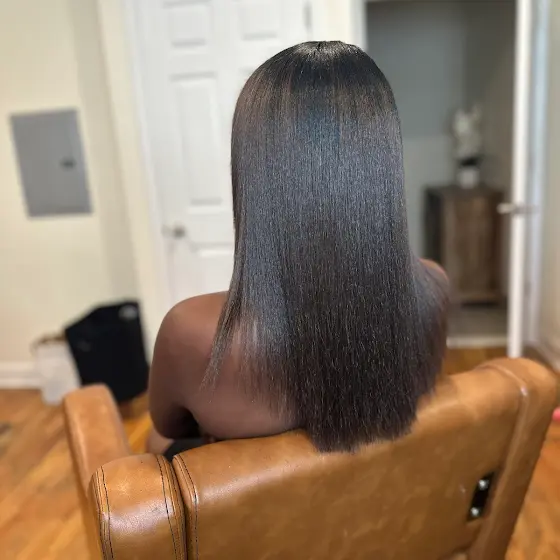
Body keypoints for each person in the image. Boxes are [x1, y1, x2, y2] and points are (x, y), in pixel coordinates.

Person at [147, 41, 448, 460]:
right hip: (380, 492)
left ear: (252, 169)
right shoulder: (434, 289)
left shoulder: (190, 333)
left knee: (155, 444)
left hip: (260, 502)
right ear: (382, 162)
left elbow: (168, 428)